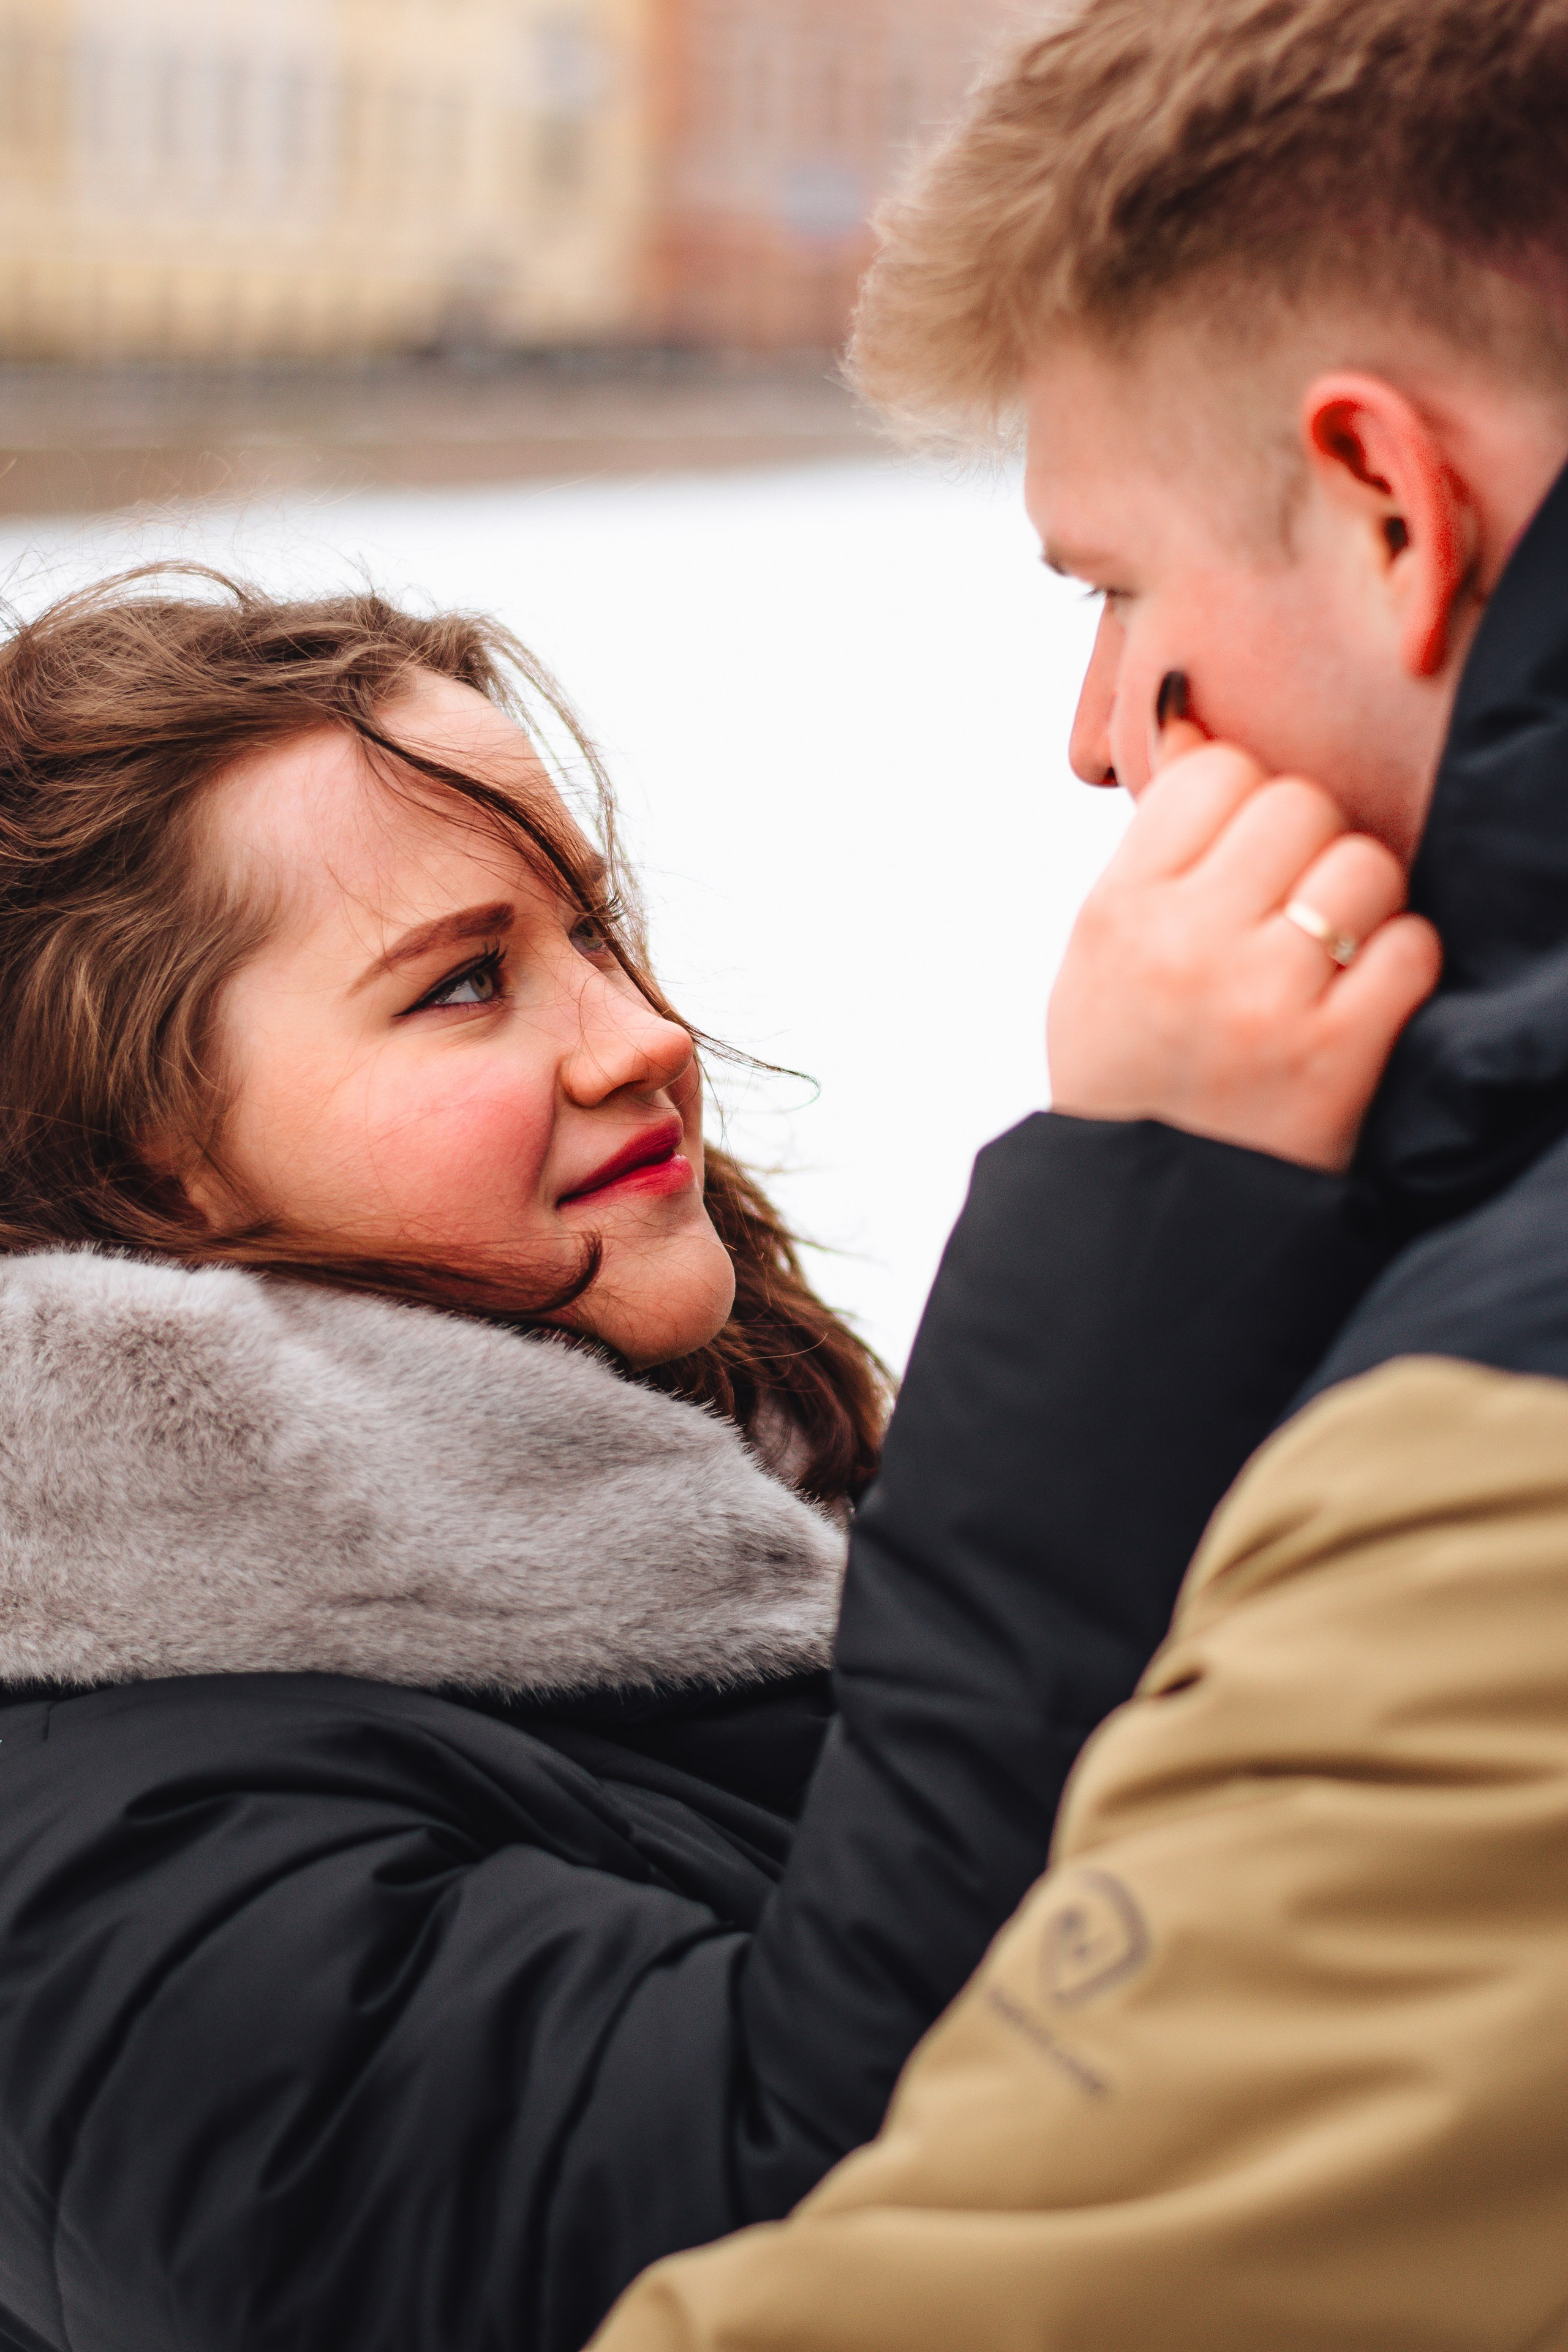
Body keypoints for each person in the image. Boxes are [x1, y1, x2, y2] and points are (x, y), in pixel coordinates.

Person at [0, 567, 1412, 2352]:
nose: (641, 1035)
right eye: (462, 985)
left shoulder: (725, 1499)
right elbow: (779, 2231)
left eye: (590, 931)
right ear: (142, 1174)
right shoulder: (91, 1874)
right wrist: (1133, 1244)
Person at [589, 1, 1568, 2345]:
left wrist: (1130, 1201)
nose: (1090, 734)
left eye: (1107, 586)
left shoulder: (1502, 1473)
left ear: (1387, 505)